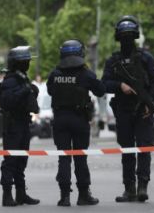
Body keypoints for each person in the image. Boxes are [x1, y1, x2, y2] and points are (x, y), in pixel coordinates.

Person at [102, 16, 154, 203]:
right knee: (127, 150)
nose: (126, 39)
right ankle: (129, 188)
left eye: (129, 36)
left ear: (135, 36)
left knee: (144, 148)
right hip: (123, 110)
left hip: (143, 110)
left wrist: (148, 102)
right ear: (118, 38)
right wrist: (120, 86)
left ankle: (142, 186)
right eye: (123, 36)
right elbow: (104, 84)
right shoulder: (113, 60)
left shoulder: (145, 58)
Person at [47, 39, 106, 207]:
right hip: (79, 119)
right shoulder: (85, 73)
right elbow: (100, 90)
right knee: (80, 158)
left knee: (63, 158)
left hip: (60, 119)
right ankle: (83, 195)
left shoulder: (55, 73)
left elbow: (51, 90)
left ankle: (64, 196)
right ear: (80, 54)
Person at [0, 46, 41, 207]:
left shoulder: (22, 78)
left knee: (22, 160)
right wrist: (24, 91)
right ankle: (7, 195)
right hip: (12, 125)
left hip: (23, 123)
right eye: (25, 62)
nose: (27, 64)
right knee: (10, 160)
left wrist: (32, 90)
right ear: (16, 63)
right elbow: (6, 102)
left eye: (28, 62)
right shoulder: (9, 80)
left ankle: (21, 193)